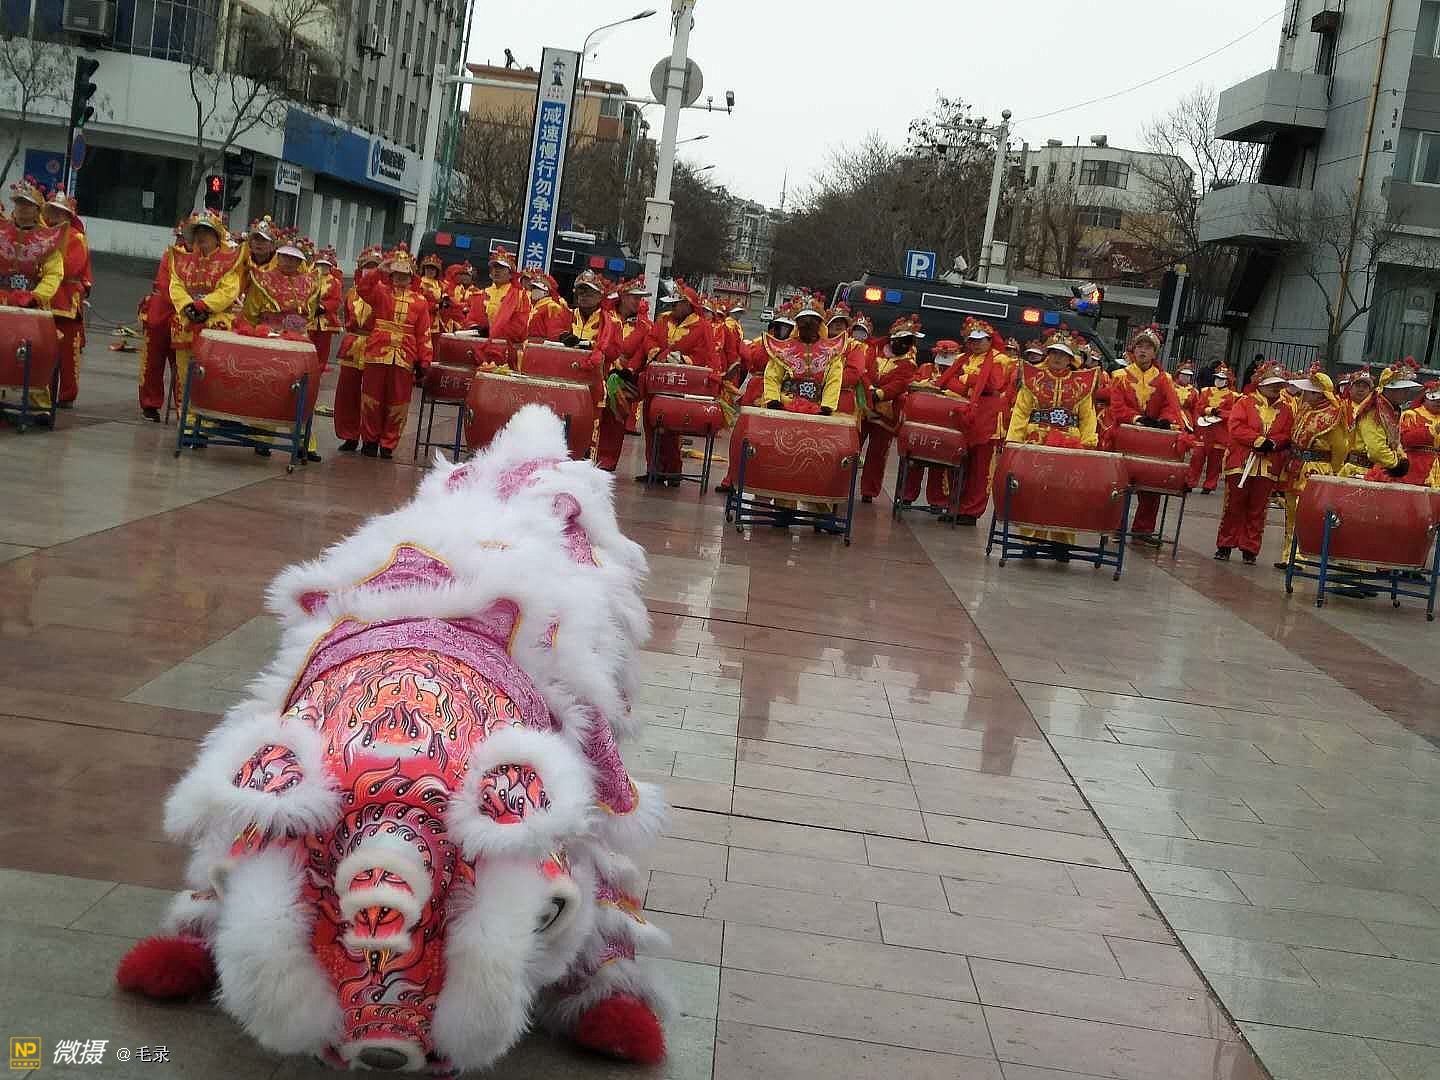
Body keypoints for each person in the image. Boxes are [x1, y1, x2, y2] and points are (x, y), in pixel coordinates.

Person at [934, 316, 1014, 524]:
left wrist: (964, 379)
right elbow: (948, 381)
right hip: (963, 413)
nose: (975, 344)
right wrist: (968, 386)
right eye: (972, 340)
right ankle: (954, 506)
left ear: (989, 340)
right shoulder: (963, 357)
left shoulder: (1000, 359)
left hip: (987, 416)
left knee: (980, 468)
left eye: (980, 340)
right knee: (958, 462)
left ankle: (971, 511)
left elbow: (993, 384)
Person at [354, 244, 431, 459]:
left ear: (411, 276)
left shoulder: (420, 301)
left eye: (404, 274)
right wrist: (380, 269)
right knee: (371, 397)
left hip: (405, 355)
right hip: (378, 352)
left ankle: (388, 443)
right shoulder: (380, 292)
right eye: (396, 273)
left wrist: (424, 361)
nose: (400, 277)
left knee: (398, 400)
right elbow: (362, 288)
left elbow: (424, 333)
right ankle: (370, 440)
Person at [1215, 363, 1294, 565]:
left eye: (1279, 384)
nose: (1276, 388)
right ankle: (1225, 544)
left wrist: (1273, 443)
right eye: (1271, 384)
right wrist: (1258, 440)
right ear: (1261, 384)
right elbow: (1236, 427)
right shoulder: (1244, 403)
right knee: (1234, 505)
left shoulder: (1286, 409)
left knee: (1258, 509)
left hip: (1268, 465)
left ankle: (1250, 548)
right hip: (1241, 461)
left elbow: (1287, 434)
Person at [167, 209, 242, 419]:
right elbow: (176, 285)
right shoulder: (183, 260)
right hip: (187, 321)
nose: (202, 236)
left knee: (212, 373)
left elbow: (229, 291)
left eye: (207, 232)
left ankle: (209, 419)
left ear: (217, 236)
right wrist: (187, 306)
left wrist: (204, 305)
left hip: (215, 321)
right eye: (198, 231)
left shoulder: (229, 261)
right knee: (185, 372)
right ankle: (187, 419)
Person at [0, 177, 64, 420]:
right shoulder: (2, 231)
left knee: (36, 350)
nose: (22, 208)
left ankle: (40, 403)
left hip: (32, 304)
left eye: (28, 205)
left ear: (38, 210)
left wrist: (37, 296)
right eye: (19, 203)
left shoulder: (48, 239)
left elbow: (54, 274)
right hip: (1, 300)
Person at [716, 304, 797, 494]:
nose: (783, 332)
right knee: (743, 437)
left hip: (780, 394)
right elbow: (746, 358)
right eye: (780, 328)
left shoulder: (792, 349)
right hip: (757, 391)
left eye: (787, 328)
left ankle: (763, 481)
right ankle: (732, 479)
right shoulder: (762, 343)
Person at [640, 281, 715, 483]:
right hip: (657, 382)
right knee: (651, 427)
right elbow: (650, 340)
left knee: (671, 429)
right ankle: (653, 470)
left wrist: (683, 359)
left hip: (683, 387)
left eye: (677, 303)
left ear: (689, 305)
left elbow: (706, 355)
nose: (672, 307)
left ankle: (673, 471)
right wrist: (658, 353)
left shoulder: (702, 327)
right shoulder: (663, 320)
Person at [1277, 369, 1348, 567]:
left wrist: (1333, 470)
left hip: (1315, 468)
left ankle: (1300, 554)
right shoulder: (1305, 408)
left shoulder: (1332, 416)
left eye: (1309, 391)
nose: (1304, 394)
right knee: (1290, 510)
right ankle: (1288, 554)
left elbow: (1340, 448)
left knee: (1304, 511)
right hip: (1295, 465)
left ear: (1319, 394)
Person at [858, 315, 921, 503]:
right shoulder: (873, 351)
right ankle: (841, 484)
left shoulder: (909, 364)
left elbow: (900, 383)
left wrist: (880, 393)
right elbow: (863, 371)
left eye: (908, 342)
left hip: (886, 414)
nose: (904, 345)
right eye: (901, 341)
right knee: (852, 448)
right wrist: (869, 389)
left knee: (877, 454)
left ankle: (869, 491)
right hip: (862, 407)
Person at [594, 275, 652, 471]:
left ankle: (607, 461)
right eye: (634, 297)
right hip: (600, 371)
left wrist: (629, 371)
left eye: (640, 298)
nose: (638, 302)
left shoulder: (644, 327)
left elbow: (642, 353)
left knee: (615, 419)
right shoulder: (606, 317)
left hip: (623, 377)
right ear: (623, 297)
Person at [898, 339, 964, 512]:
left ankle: (938, 500)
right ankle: (906, 495)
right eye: (942, 353)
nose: (944, 357)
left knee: (941, 466)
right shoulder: (926, 368)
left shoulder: (960, 372)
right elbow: (912, 385)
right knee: (913, 462)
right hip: (921, 422)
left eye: (949, 354)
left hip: (946, 426)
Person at [41, 189, 91, 408]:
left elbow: (71, 268)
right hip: (46, 300)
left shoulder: (77, 238)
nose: (55, 215)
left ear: (68, 215)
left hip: (67, 301)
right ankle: (43, 391)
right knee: (45, 350)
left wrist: (46, 266)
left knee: (69, 354)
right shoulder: (44, 233)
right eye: (53, 210)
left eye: (60, 212)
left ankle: (67, 395)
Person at [333, 246, 382, 453]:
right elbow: (347, 316)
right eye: (367, 266)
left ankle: (371, 439)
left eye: (374, 266)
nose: (370, 270)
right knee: (347, 392)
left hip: (376, 345)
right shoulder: (352, 293)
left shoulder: (384, 293)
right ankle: (349, 435)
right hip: (353, 344)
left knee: (372, 395)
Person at [761, 295, 845, 413]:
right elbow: (772, 376)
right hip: (785, 406)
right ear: (798, 326)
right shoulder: (784, 349)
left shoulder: (831, 351)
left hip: (817, 409)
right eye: (804, 324)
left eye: (812, 324)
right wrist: (773, 401)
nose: (808, 326)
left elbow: (834, 380)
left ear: (819, 326)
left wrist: (827, 407)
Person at [465, 246, 530, 366]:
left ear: (510, 274)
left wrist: (493, 332)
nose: (497, 271)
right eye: (494, 267)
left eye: (501, 268)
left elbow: (519, 326)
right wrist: (477, 328)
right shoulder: (482, 294)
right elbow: (472, 318)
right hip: (482, 347)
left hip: (506, 349)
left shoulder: (520, 296)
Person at [137, 236, 178, 422]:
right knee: (152, 362)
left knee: (184, 367)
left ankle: (185, 408)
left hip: (188, 315)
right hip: (161, 313)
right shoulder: (170, 254)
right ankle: (150, 404)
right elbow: (164, 283)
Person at [1345, 365, 1410, 480]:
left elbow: (1394, 442)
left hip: (1377, 471)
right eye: (1402, 390)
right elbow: (1376, 449)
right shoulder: (1373, 410)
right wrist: (1396, 464)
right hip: (1361, 472)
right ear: (1390, 390)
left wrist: (1402, 457)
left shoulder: (1390, 410)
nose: (1406, 393)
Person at [1189, 363, 1236, 492]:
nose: (1218, 381)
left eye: (1222, 379)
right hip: (1204, 428)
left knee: (1215, 462)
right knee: (1197, 457)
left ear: (1227, 381)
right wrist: (1209, 410)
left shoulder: (1233, 396)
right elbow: (1199, 407)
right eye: (1217, 378)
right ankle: (1190, 482)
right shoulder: (1206, 391)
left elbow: (1233, 413)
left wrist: (1219, 413)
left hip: (1220, 431)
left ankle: (1209, 485)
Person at [1400, 380, 1440, 488]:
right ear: (1425, 398)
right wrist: (1432, 430)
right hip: (1416, 468)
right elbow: (1406, 440)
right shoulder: (1412, 415)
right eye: (1434, 398)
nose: (1438, 402)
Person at [310, 247, 343, 373]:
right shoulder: (309, 279)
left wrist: (323, 307)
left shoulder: (335, 282)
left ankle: (321, 366)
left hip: (326, 319)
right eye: (320, 265)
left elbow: (336, 300)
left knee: (324, 345)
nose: (322, 267)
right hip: (310, 318)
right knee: (309, 343)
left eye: (325, 265)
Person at [527, 271, 570, 341]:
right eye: (533, 288)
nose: (533, 290)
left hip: (541, 344)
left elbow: (554, 331)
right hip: (529, 342)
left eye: (537, 288)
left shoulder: (552, 306)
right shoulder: (533, 306)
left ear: (546, 292)